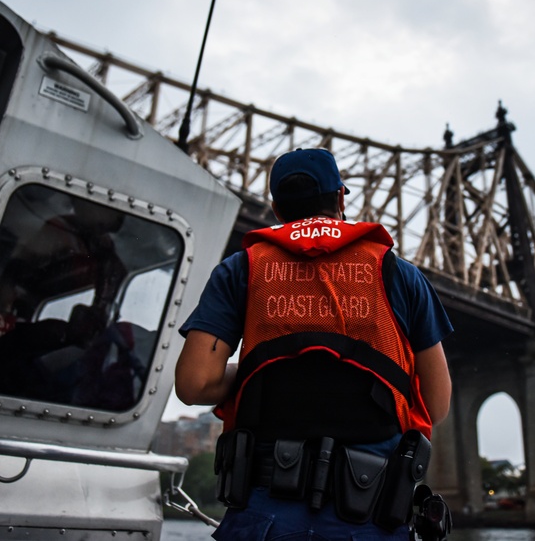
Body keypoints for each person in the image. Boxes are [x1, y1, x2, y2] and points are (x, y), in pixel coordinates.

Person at [175, 148, 453, 540]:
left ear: (275, 208)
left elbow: (193, 384)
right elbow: (436, 403)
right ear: (340, 198)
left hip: (263, 520)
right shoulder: (400, 274)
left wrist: (262, 372)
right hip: (369, 520)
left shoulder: (241, 269)